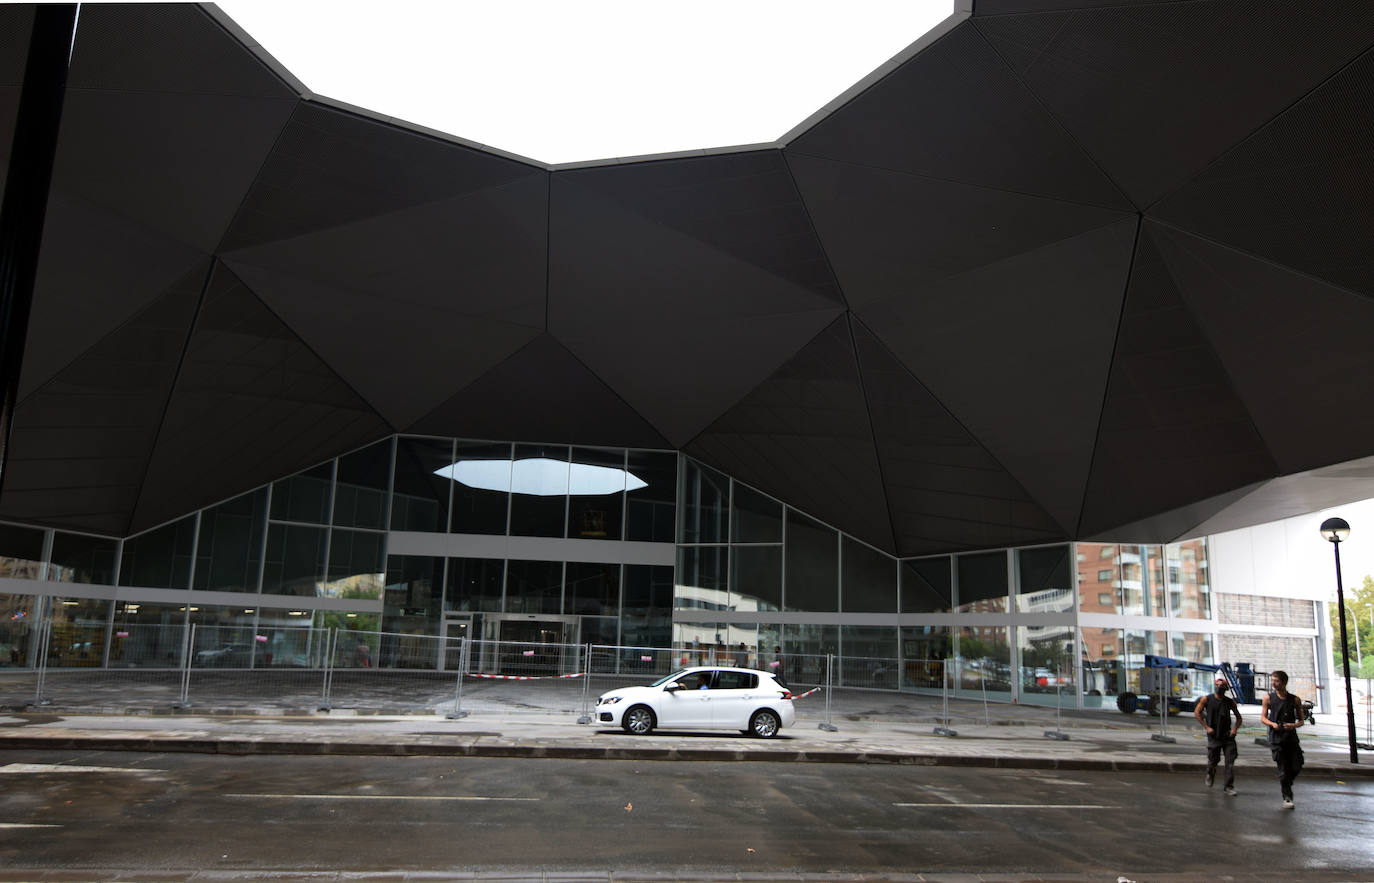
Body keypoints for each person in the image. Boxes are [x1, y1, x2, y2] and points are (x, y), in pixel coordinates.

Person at [1261, 669, 1304, 809]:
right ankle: (1287, 796)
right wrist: (1272, 724)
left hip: (1291, 737)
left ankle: (1287, 782)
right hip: (1276, 738)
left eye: (1276, 681)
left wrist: (1293, 725)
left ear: (1284, 682)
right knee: (1283, 768)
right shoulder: (1268, 698)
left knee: (1298, 764)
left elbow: (1301, 720)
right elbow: (1263, 718)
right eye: (1272, 680)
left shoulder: (1295, 699)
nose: (1274, 683)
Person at [1194, 675, 1242, 795]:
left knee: (1229, 763)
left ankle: (1228, 787)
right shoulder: (1207, 699)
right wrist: (1206, 727)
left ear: (1226, 689)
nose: (1219, 687)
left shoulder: (1229, 702)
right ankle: (1210, 773)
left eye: (1222, 686)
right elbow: (1197, 712)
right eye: (1217, 685)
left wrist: (1235, 729)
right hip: (1214, 736)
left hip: (1228, 737)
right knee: (1212, 761)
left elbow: (1239, 717)